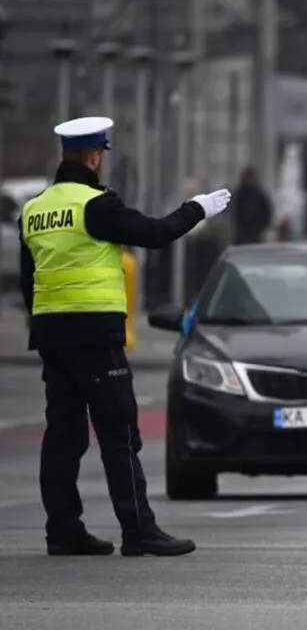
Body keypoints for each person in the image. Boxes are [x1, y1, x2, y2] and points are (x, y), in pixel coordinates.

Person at [19, 116, 233, 557]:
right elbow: (154, 234)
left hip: (52, 337)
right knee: (119, 433)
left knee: (63, 437)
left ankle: (63, 532)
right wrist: (198, 208)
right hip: (96, 336)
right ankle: (139, 531)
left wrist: (44, 325)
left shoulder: (35, 209)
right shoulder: (96, 206)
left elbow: (29, 281)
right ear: (95, 156)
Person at [232, 166, 273, 245]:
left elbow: (267, 214)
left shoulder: (260, 196)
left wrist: (261, 228)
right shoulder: (238, 194)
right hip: (240, 234)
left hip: (255, 233)